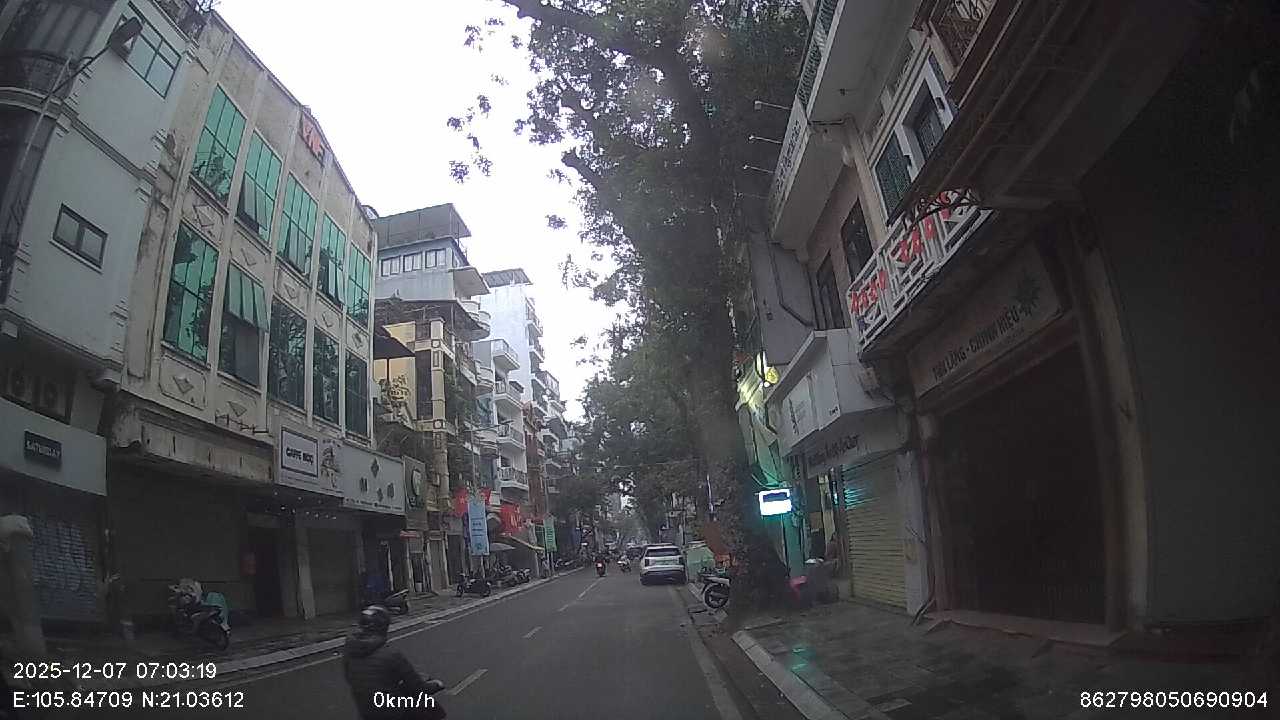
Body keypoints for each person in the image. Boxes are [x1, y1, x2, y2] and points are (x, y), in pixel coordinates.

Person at [343, 605, 444, 719]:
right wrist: (437, 685)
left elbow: (353, 679)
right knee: (431, 708)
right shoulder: (391, 655)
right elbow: (419, 688)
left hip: (366, 712)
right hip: (393, 711)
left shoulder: (349, 653)